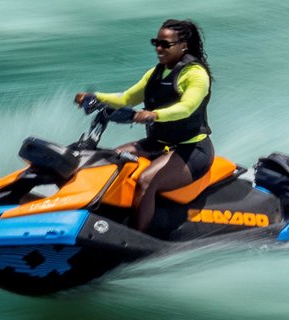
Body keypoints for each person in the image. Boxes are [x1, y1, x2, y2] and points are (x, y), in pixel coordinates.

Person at [73, 19, 216, 234]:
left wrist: (153, 114)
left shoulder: (195, 74)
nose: (159, 48)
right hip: (157, 143)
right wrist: (94, 96)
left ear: (183, 45)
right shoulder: (155, 74)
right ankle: (100, 214)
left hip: (191, 149)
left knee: (147, 180)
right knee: (108, 160)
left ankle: (137, 237)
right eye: (156, 43)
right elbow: (126, 99)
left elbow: (186, 107)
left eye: (165, 44)